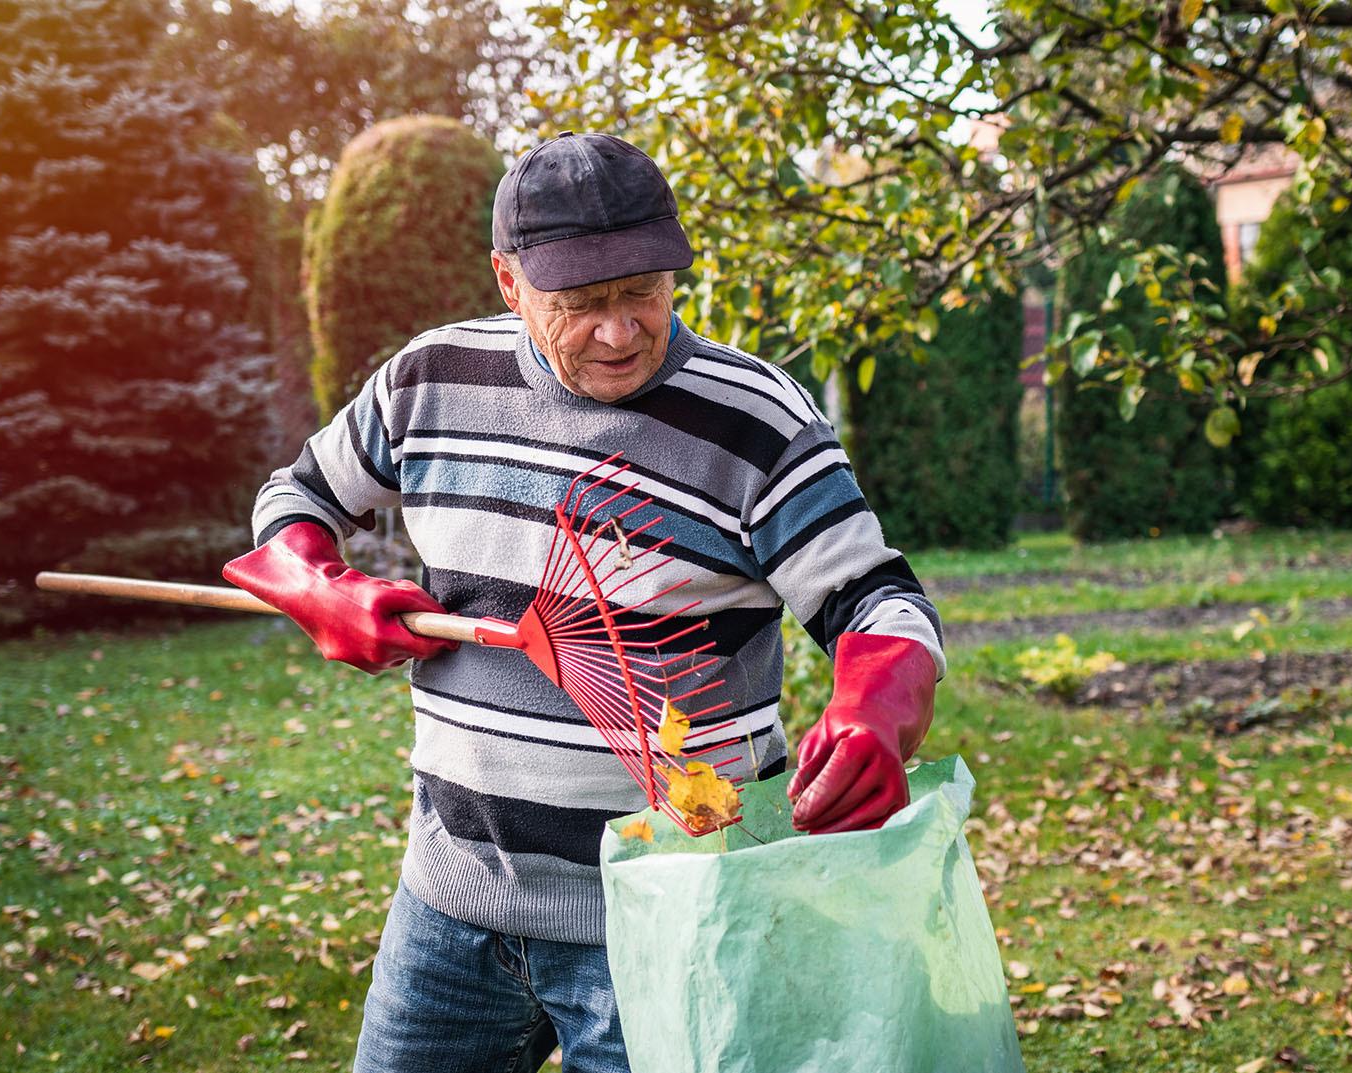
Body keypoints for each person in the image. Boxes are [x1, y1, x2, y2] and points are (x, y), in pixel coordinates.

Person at [222, 131, 945, 1073]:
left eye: (643, 290)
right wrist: (313, 583)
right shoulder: (429, 381)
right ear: (508, 281)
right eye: (581, 303)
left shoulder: (757, 419)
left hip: (675, 909)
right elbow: (296, 495)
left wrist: (876, 710)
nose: (621, 330)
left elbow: (878, 601)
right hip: (450, 908)